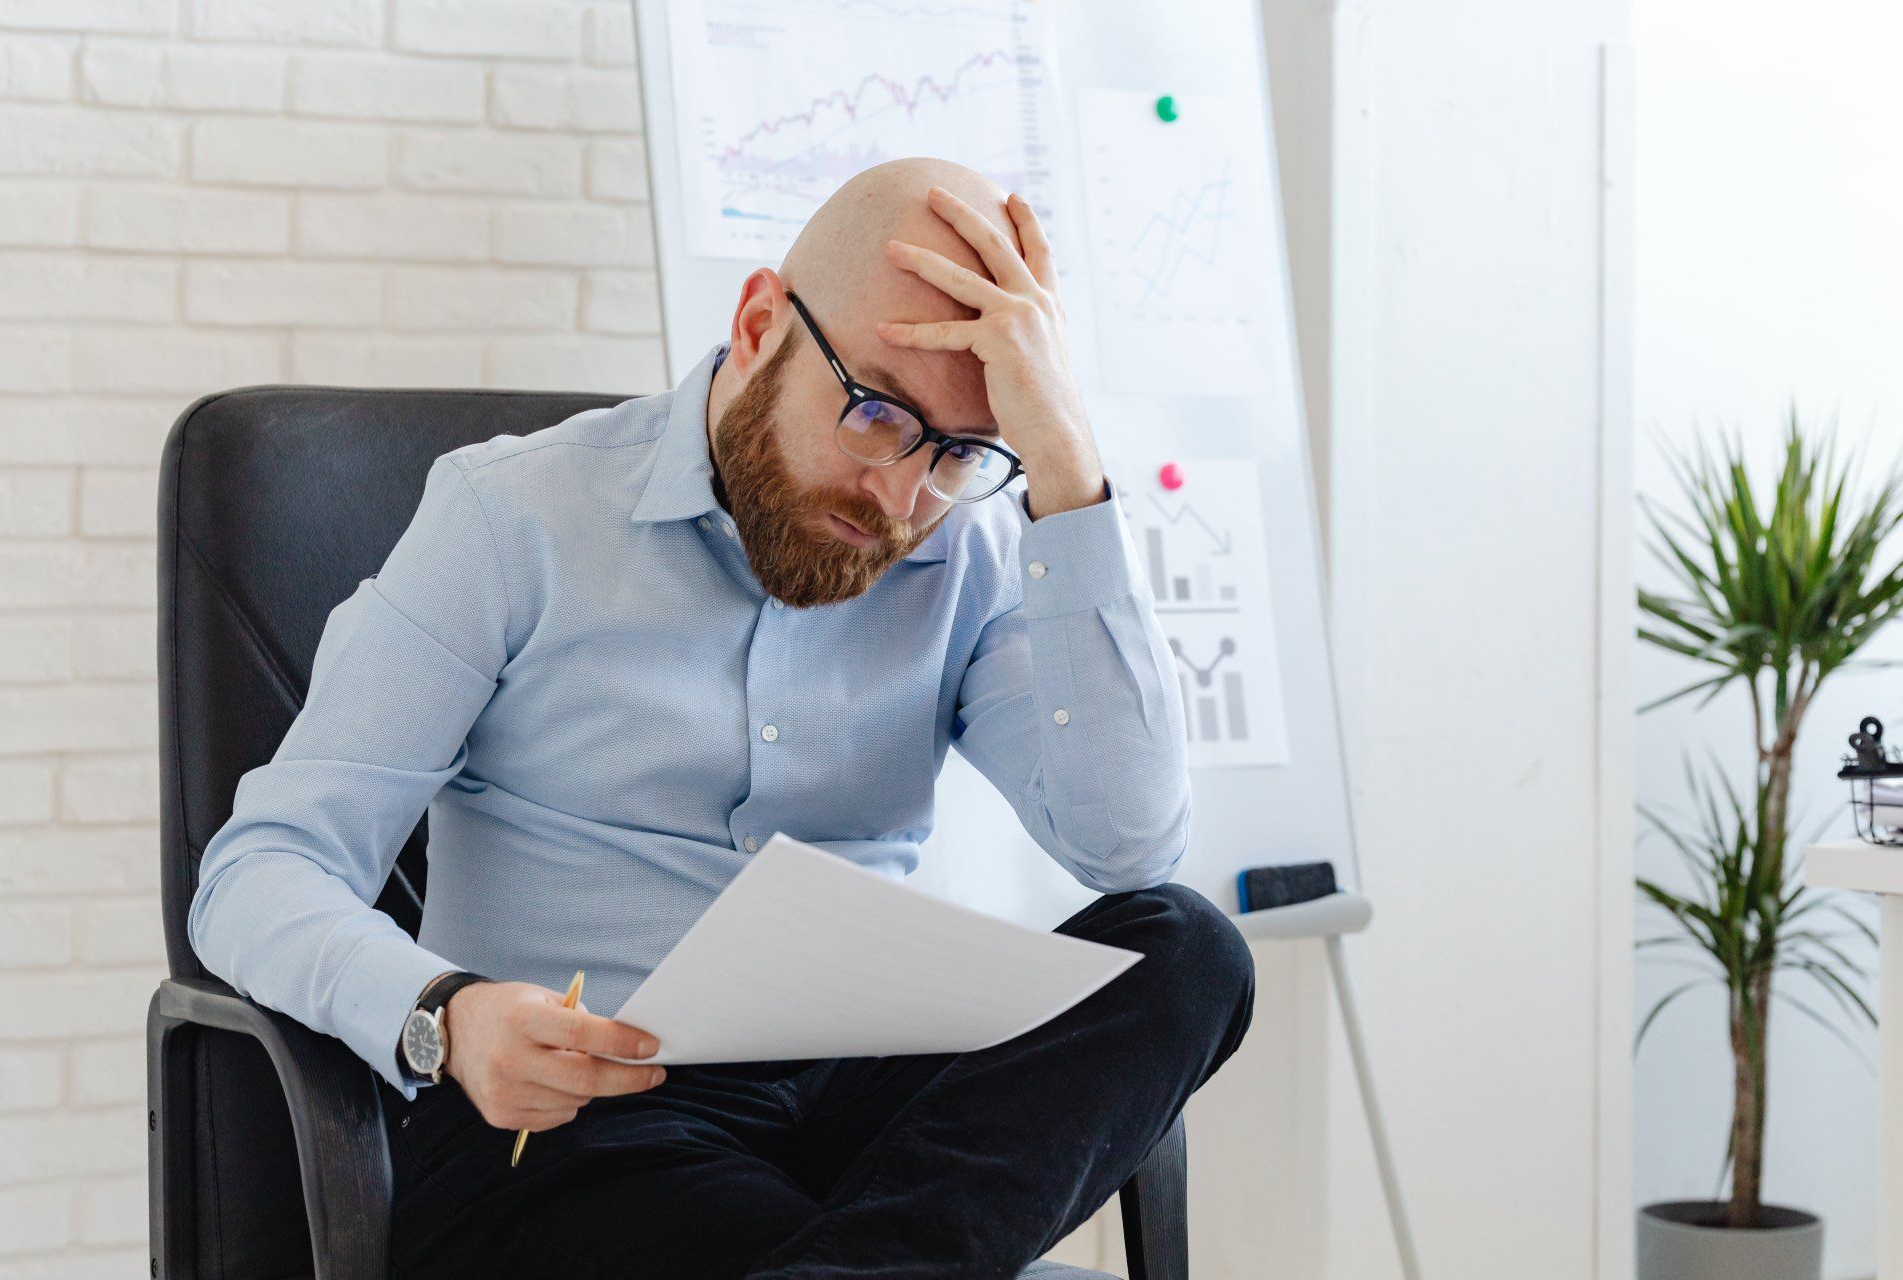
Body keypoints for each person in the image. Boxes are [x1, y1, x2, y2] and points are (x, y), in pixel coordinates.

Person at [187, 155, 1255, 1279]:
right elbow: (260, 868)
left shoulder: (972, 549)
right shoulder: (512, 519)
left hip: (857, 1108)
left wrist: (1066, 473)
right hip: (580, 1124)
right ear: (758, 325)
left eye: (959, 453)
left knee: (1188, 949)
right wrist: (446, 1014)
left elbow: (1127, 843)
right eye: (880, 413)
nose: (901, 498)